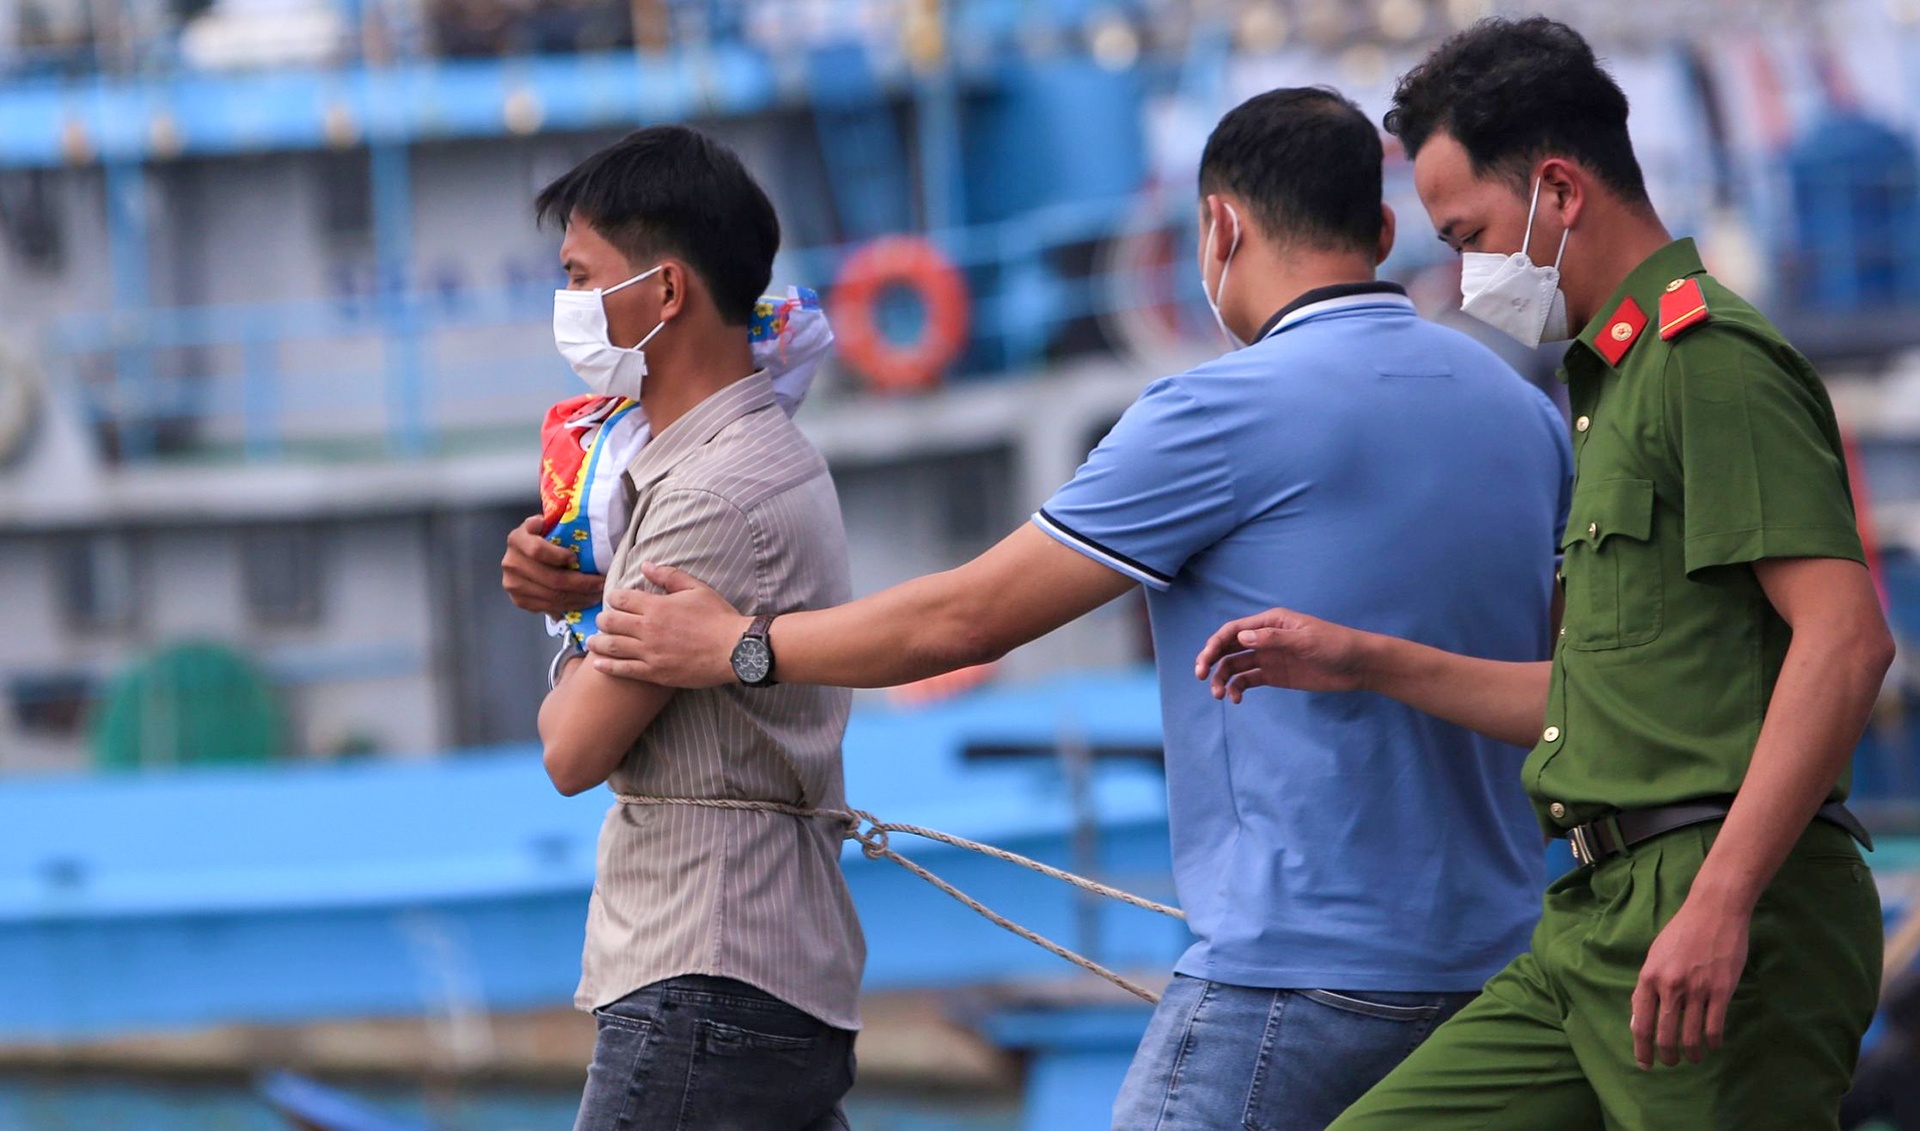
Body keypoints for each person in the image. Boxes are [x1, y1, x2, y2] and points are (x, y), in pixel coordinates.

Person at [561, 88, 1573, 1131]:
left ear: (1218, 227)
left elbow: (967, 620)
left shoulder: (1217, 411)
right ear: (1384, 230)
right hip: (1499, 969)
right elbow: (1558, 678)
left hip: (1296, 971)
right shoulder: (1520, 409)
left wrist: (742, 647)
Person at [1192, 19, 1890, 1129]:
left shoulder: (1707, 365)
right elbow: (1598, 705)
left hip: (1713, 907)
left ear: (1560, 188)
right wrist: (1359, 658)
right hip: (1590, 923)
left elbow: (1847, 641)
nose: (1468, 278)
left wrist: (1720, 902)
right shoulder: (1608, 385)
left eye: (1470, 233)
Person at [525, 125, 862, 1131]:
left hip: (703, 964)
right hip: (761, 968)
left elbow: (573, 748)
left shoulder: (710, 494)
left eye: (583, 278)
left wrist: (582, 628)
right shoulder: (715, 460)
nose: (570, 307)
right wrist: (580, 595)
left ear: (664, 294)